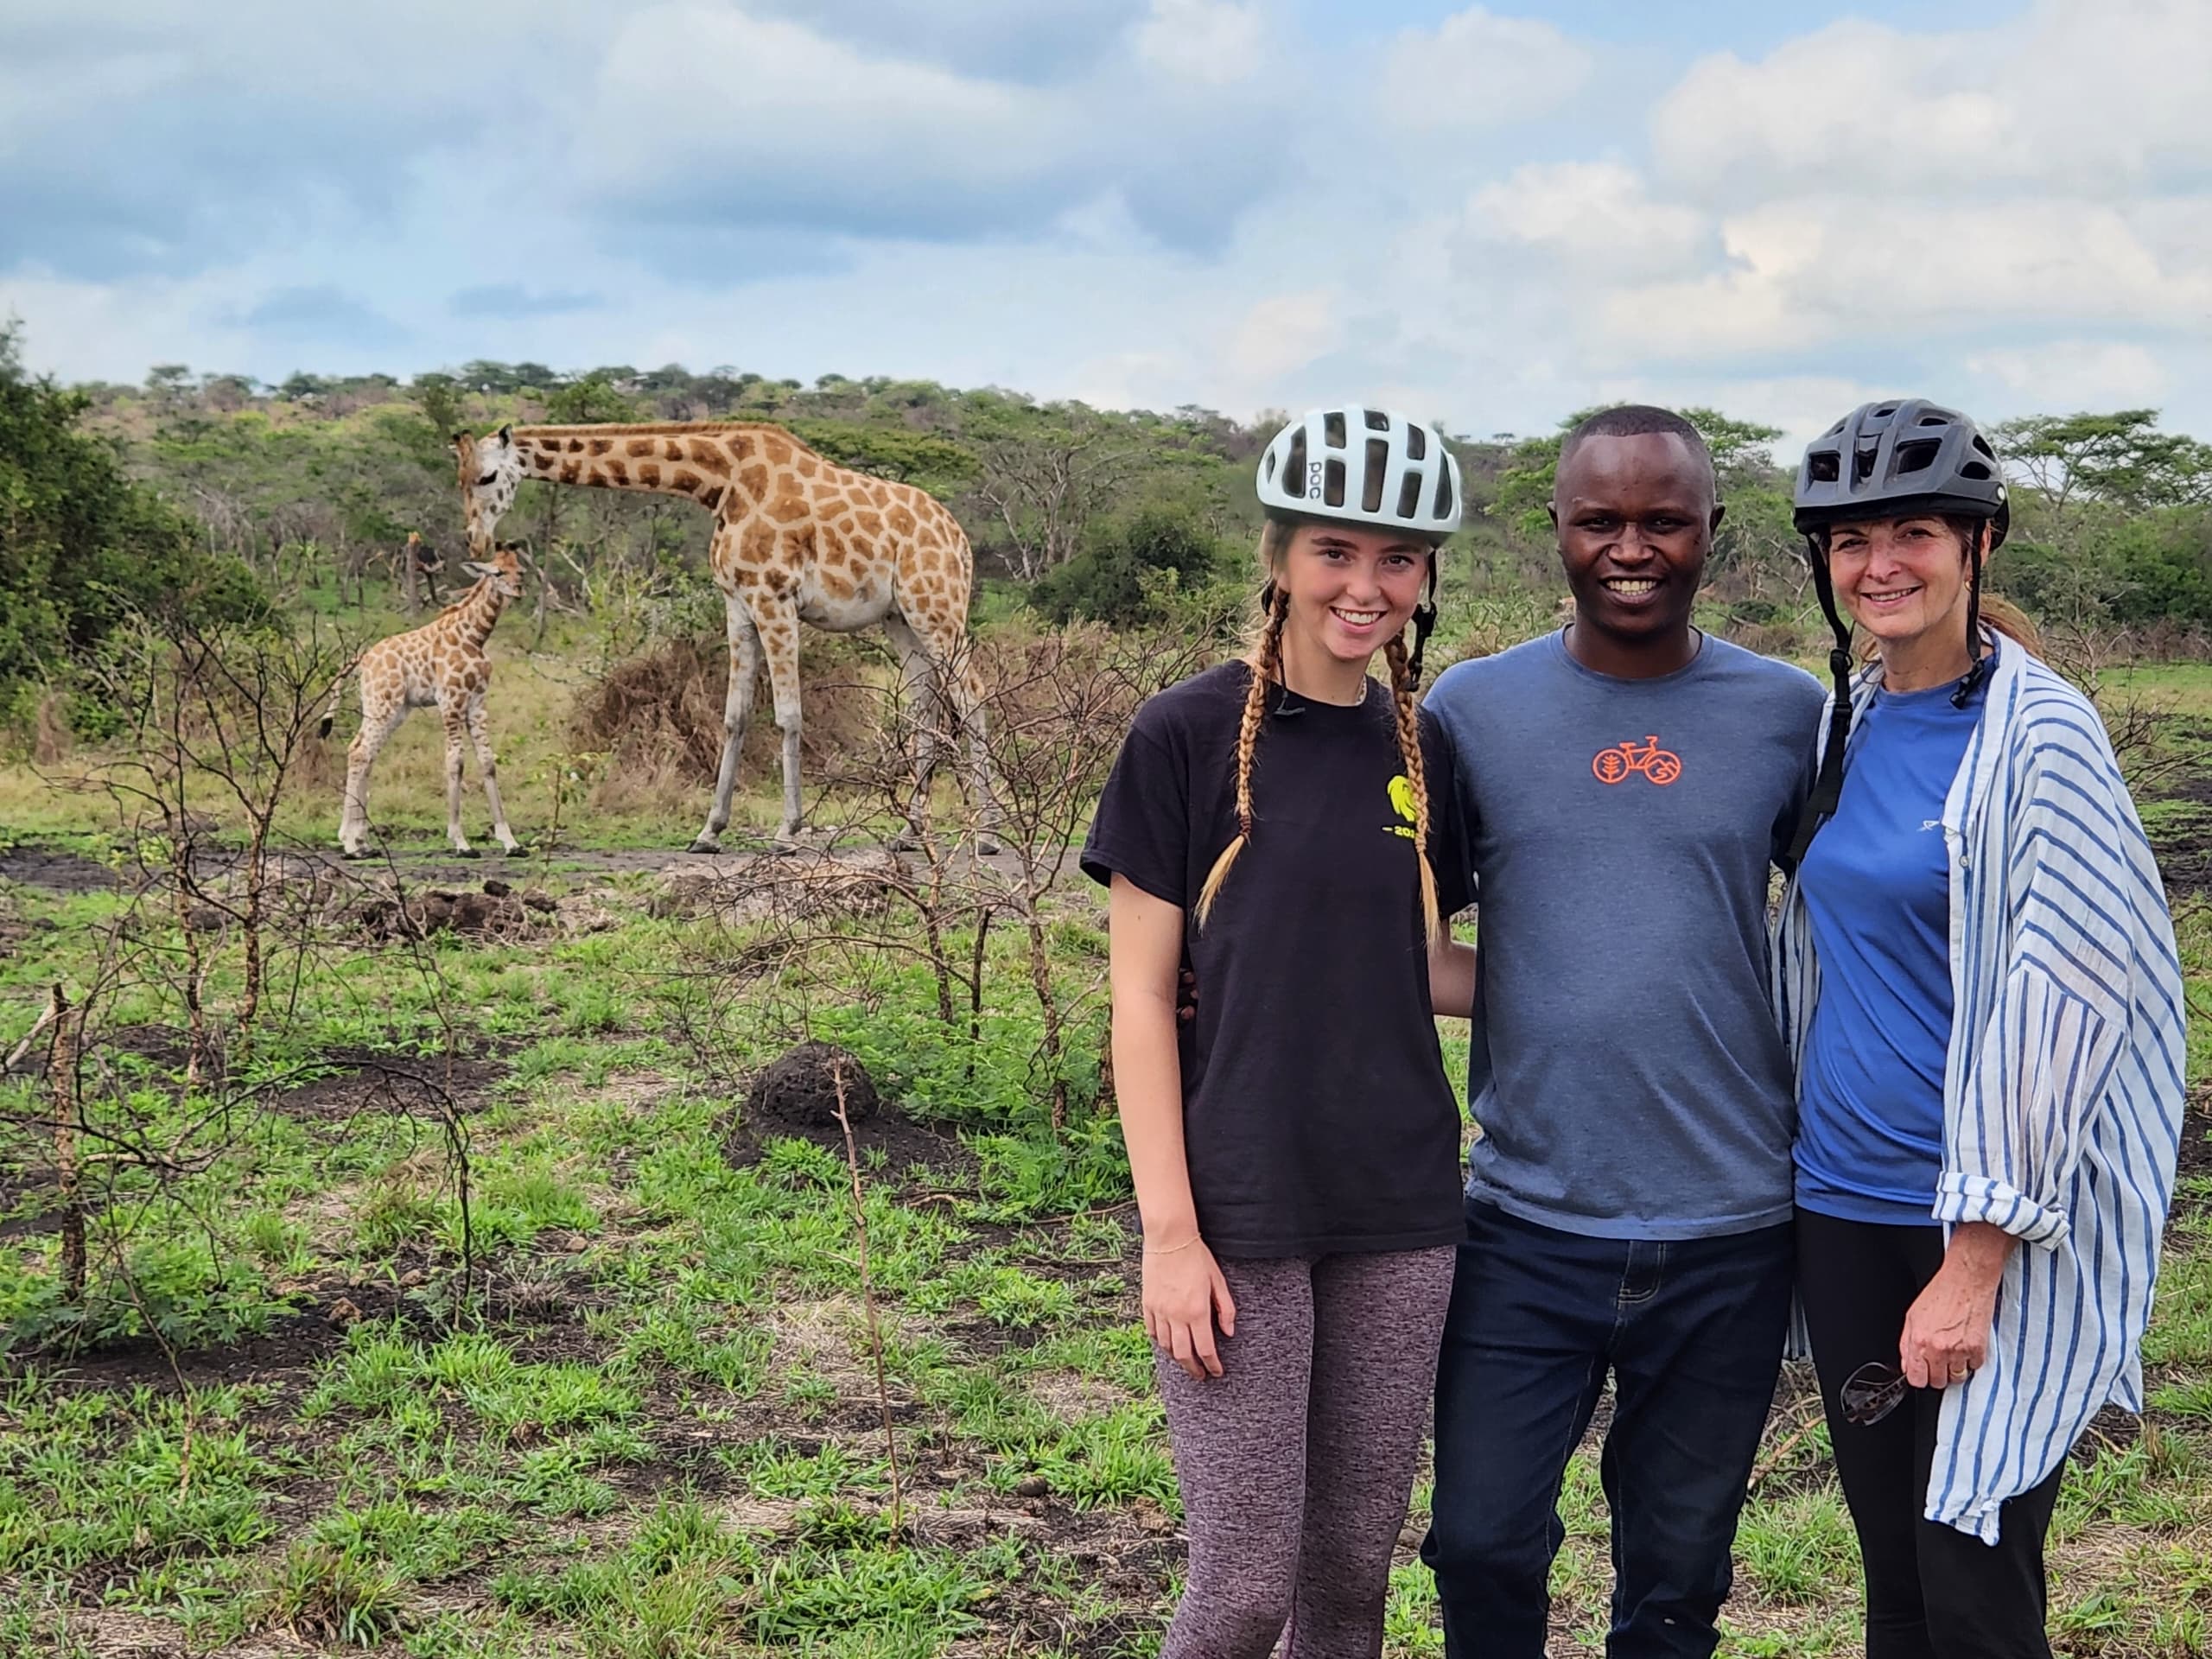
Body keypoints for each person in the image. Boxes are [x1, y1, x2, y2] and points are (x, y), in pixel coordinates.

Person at [1778, 398, 2186, 1658]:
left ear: (1979, 546)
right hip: (1842, 1207)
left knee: (1974, 1583)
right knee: (1895, 1578)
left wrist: (1975, 1261)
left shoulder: (2039, 735)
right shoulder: (1844, 723)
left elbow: (2072, 990)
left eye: (1915, 531)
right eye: (1853, 540)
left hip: (1978, 1229)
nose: (1882, 564)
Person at [1418, 405, 1827, 1657]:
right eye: (1602, 519)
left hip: (1732, 1226)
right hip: (1527, 1215)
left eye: (1663, 519)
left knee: (1678, 1569)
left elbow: (1846, 928)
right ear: (1557, 529)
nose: (1631, 545)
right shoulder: (1469, 711)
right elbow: (1397, 931)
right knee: (1480, 1541)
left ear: (1715, 531)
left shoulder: (1792, 713)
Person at [1083, 404, 1478, 1659]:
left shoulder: (1428, 750)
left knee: (1352, 1579)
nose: (1367, 589)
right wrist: (1169, 1236)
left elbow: (1414, 969)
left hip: (1403, 1212)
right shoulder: (1184, 736)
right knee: (1245, 1588)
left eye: (1397, 562)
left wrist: (1626, 985)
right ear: (1277, 557)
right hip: (1240, 1211)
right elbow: (1142, 998)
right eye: (1335, 554)